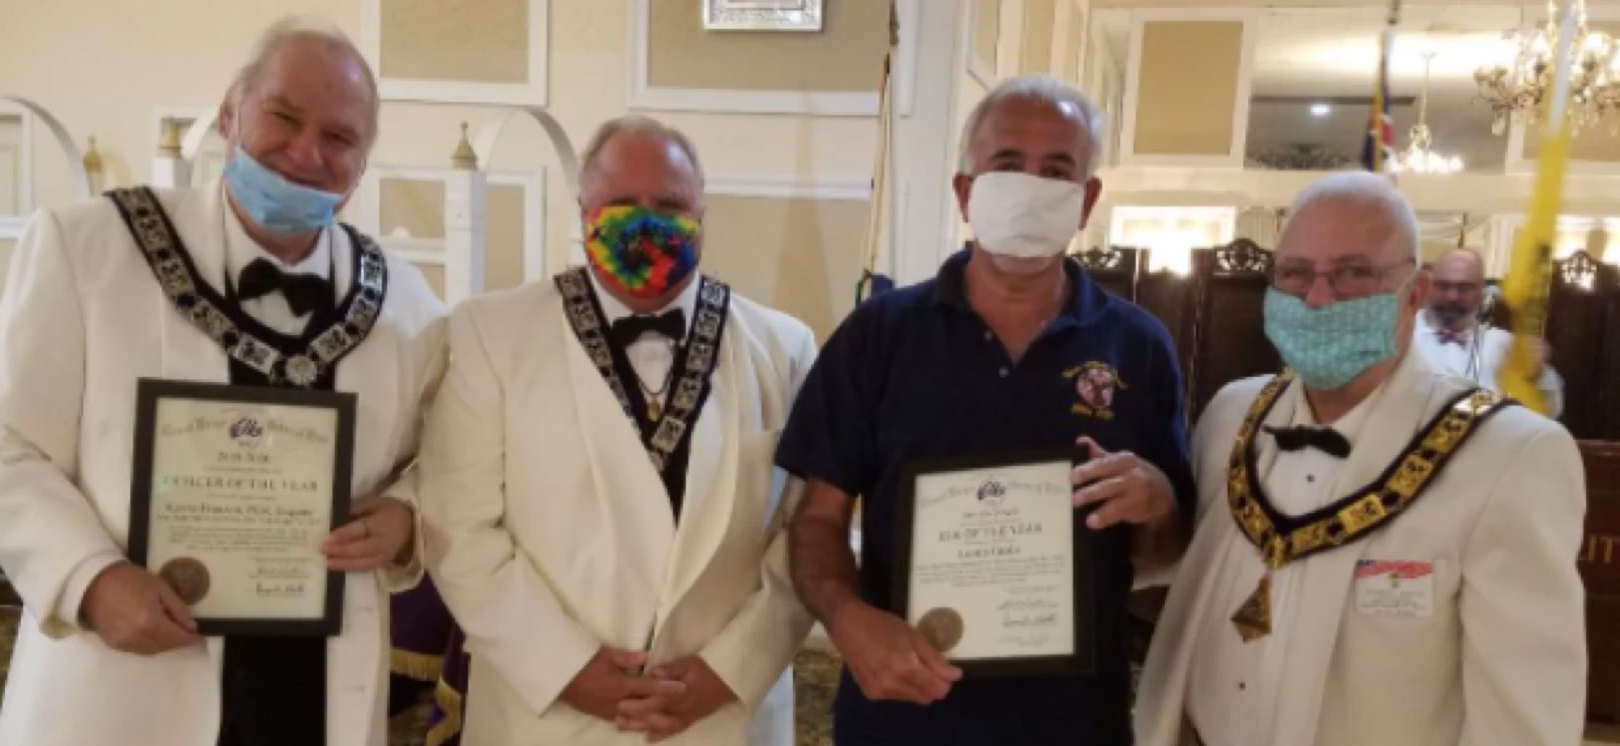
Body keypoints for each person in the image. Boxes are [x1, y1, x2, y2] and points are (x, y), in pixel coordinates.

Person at [0, 18, 444, 746]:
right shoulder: (88, 249)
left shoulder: (407, 305)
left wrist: (406, 517)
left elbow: (444, 463)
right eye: (283, 116)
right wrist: (87, 578)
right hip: (122, 687)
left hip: (319, 695)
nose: (306, 153)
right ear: (229, 113)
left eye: (340, 137)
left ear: (364, 161)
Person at [775, 75, 1195, 745]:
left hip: (1072, 725)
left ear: (1086, 199)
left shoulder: (1138, 346)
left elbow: (1165, 549)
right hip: (902, 722)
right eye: (1007, 164)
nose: (1030, 186)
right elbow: (817, 520)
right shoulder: (878, 335)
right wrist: (847, 620)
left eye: (1055, 170)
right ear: (966, 190)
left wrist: (1157, 504)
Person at [1134, 172, 1587, 746]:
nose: (1317, 298)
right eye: (1295, 273)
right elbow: (1193, 573)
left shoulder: (1509, 455)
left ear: (1415, 293)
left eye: (1354, 273)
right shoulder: (1230, 415)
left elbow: (1524, 720)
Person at [417, 115, 816, 745]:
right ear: (584, 214)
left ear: (702, 215)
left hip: (723, 715)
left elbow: (809, 534)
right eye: (623, 204)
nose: (647, 223)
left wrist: (730, 670)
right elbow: (457, 525)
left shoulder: (786, 347)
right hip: (547, 715)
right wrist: (565, 669)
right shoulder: (491, 334)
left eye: (670, 205)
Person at [1414, 247, 1563, 416]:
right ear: (1428, 287)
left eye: (1464, 288)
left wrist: (1537, 375)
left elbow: (1550, 411)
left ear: (1481, 294)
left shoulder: (1504, 345)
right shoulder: (1402, 334)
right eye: (1443, 286)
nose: (1452, 296)